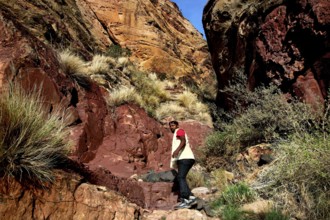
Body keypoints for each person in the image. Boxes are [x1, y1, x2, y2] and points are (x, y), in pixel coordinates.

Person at [169, 120, 197, 209]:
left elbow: (183, 141)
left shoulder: (179, 130)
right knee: (181, 177)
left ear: (177, 125)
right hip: (185, 158)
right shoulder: (175, 134)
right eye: (170, 126)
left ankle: (185, 199)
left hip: (185, 158)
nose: (171, 127)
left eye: (173, 125)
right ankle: (191, 197)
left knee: (180, 177)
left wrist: (176, 151)